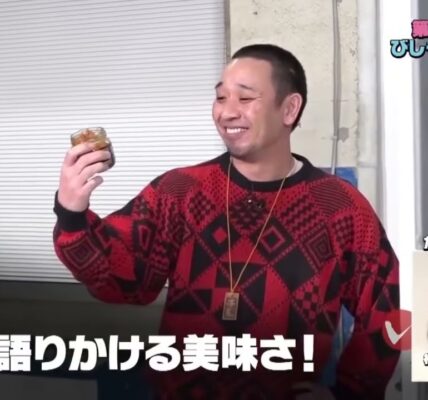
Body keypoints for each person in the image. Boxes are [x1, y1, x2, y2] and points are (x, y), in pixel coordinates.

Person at [53, 44, 400, 399]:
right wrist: (71, 213)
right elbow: (124, 282)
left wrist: (348, 394)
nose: (227, 112)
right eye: (220, 97)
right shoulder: (179, 191)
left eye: (245, 98)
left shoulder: (340, 207)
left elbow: (391, 312)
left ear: (289, 108)